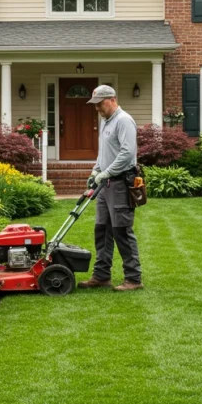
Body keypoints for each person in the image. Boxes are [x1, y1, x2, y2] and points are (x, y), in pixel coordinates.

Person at [77, 84, 143, 291]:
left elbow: (126, 154)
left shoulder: (124, 121)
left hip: (121, 184)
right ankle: (102, 275)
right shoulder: (106, 121)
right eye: (95, 105)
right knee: (102, 230)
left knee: (121, 230)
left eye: (100, 104)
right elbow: (103, 152)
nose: (97, 108)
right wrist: (96, 171)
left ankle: (133, 279)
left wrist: (107, 172)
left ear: (112, 99)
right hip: (105, 185)